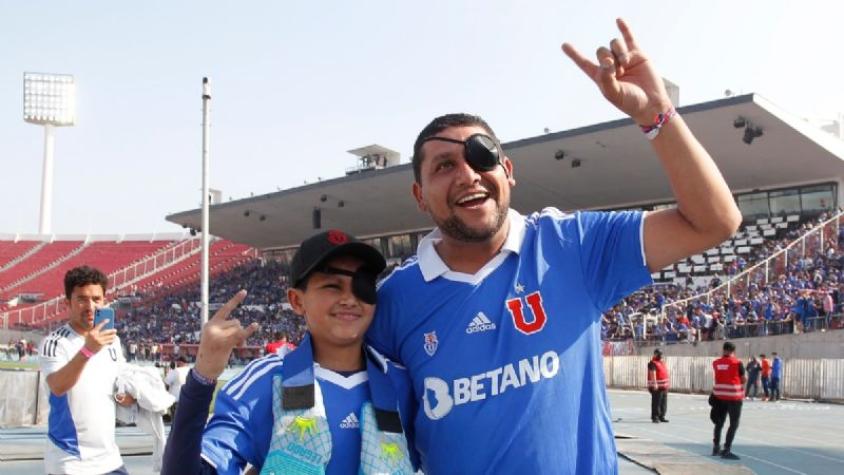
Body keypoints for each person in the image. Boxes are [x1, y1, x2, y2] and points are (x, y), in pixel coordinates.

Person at [367, 18, 741, 474]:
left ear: (508, 171)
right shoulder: (392, 301)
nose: (467, 174)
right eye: (444, 165)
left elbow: (715, 221)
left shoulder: (573, 245)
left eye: (481, 157)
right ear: (420, 195)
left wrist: (656, 115)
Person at [161, 230, 418, 475]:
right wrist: (203, 376)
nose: (350, 299)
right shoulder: (264, 382)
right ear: (296, 301)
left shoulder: (403, 384)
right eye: (332, 286)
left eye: (362, 285)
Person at [38, 266, 135, 475]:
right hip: (71, 461)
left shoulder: (113, 340)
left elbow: (117, 385)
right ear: (68, 303)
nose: (90, 306)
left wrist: (127, 397)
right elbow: (57, 386)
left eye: (97, 299)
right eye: (82, 299)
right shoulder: (55, 342)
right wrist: (88, 350)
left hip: (110, 459)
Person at [710, 341, 746, 460]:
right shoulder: (737, 363)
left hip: (719, 396)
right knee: (734, 423)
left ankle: (716, 447)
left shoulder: (716, 363)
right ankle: (727, 450)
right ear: (733, 351)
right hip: (734, 397)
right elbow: (743, 379)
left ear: (723, 350)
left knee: (719, 423)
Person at [164, 355, 191, 420]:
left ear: (181, 362)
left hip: (175, 397)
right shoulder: (190, 370)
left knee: (175, 420)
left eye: (178, 361)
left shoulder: (176, 371)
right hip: (187, 397)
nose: (176, 363)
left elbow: (167, 382)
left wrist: (167, 373)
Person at [647, 349, 669, 423]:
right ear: (655, 354)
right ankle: (655, 417)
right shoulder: (652, 363)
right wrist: (655, 383)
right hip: (657, 387)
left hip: (664, 387)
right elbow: (653, 373)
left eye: (661, 354)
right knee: (656, 402)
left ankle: (662, 416)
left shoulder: (662, 362)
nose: (661, 356)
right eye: (659, 354)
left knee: (663, 402)